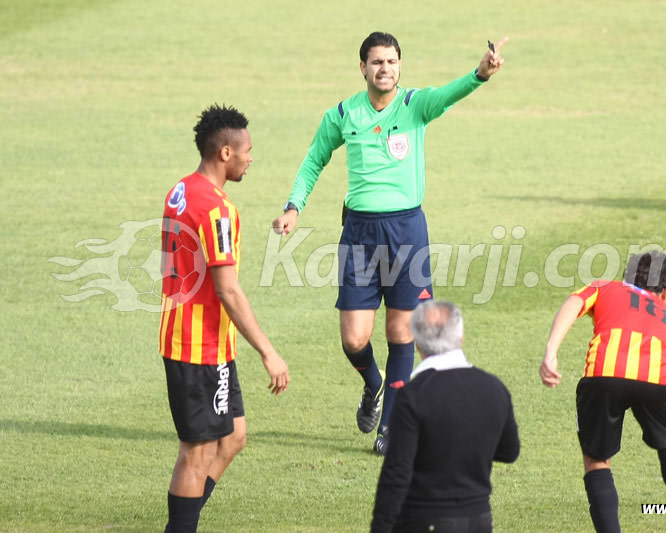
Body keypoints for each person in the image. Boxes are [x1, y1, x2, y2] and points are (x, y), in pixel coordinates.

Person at [272, 31, 509, 454]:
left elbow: (451, 93)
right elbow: (314, 159)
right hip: (360, 234)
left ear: (400, 66)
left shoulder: (415, 105)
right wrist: (294, 206)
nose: (386, 69)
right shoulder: (343, 114)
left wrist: (480, 74)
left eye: (392, 62)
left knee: (402, 332)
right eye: (377, 62)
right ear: (362, 67)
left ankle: (391, 426)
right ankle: (374, 384)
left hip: (407, 232)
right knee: (353, 339)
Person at [159, 104, 290, 532]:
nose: (252, 157)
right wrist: (269, 352)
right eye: (248, 150)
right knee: (194, 455)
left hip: (204, 342)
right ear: (226, 153)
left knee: (233, 437)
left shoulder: (180, 190)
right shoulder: (218, 210)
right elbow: (227, 289)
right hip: (197, 347)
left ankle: (185, 521)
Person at [539, 251, 666, 533]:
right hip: (656, 381)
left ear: (628, 278)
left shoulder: (606, 286)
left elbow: (574, 301)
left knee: (597, 460)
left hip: (604, 375)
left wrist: (551, 351)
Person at [371, 300, 520, 532]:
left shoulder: (412, 395)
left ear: (417, 343)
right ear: (461, 338)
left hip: (425, 519)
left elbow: (396, 473)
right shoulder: (494, 388)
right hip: (479, 519)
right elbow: (509, 452)